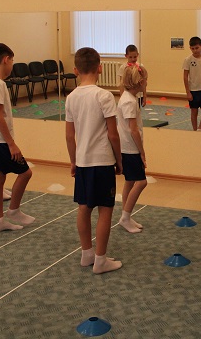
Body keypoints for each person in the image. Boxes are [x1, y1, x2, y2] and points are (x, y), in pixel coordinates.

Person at [65, 47, 123, 274]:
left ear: (75, 70)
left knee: (84, 207)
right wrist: (119, 160)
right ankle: (100, 259)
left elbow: (69, 136)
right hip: (102, 161)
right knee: (105, 209)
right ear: (100, 68)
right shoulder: (104, 96)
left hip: (83, 162)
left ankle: (87, 253)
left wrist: (73, 161)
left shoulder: (71, 97)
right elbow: (113, 134)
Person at [0, 43, 35, 232]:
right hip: (0, 140)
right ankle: (14, 210)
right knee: (25, 173)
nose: (12, 65)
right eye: (12, 61)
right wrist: (11, 144)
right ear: (6, 60)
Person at [117, 64, 148, 233]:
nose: (146, 83)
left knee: (129, 181)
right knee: (141, 182)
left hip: (127, 147)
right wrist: (142, 151)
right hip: (130, 148)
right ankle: (125, 217)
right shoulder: (129, 101)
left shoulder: (128, 98)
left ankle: (126, 214)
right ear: (140, 82)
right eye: (146, 80)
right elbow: (133, 130)